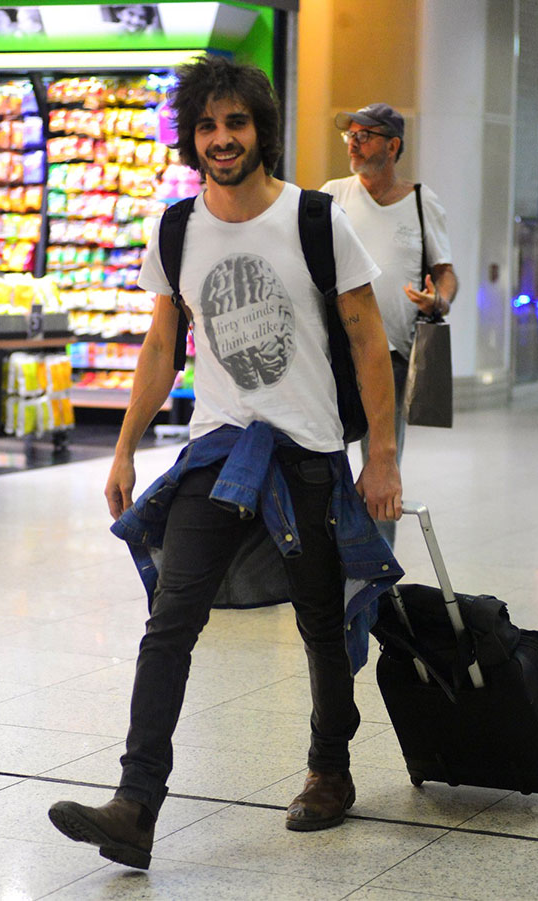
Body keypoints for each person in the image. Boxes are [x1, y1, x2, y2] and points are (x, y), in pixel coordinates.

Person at [48, 57, 403, 870]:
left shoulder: (315, 219)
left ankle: (330, 770)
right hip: (215, 452)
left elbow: (365, 338)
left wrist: (379, 455)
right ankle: (137, 804)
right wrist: (127, 444)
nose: (220, 139)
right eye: (207, 125)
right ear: (192, 135)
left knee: (321, 623)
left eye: (235, 123)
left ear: (260, 130)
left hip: (306, 452)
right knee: (171, 620)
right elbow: (161, 344)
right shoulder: (177, 227)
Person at [321, 103, 458, 547]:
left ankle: (376, 573)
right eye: (351, 135)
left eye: (365, 135)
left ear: (393, 145)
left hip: (394, 357)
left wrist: (439, 299)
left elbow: (445, 272)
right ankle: (324, 564)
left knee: (382, 463)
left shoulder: (420, 201)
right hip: (332, 358)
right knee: (322, 462)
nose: (354, 142)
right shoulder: (332, 196)